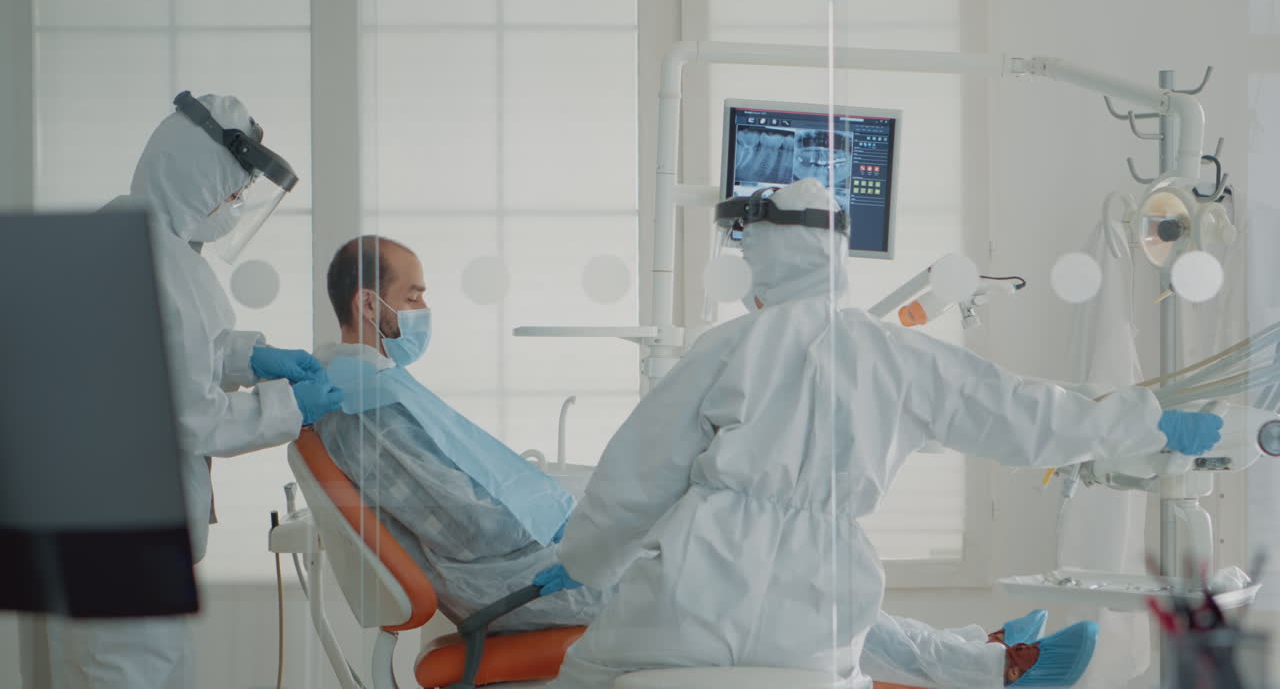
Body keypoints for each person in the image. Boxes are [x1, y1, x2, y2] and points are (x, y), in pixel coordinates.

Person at [538, 178, 1223, 689]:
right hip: (819, 613)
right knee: (855, 654)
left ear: (763, 256)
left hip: (690, 595)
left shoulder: (728, 346)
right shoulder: (897, 354)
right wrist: (1147, 423)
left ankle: (986, 663)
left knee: (586, 674)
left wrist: (585, 558)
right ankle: (985, 665)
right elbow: (1022, 414)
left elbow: (638, 474)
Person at [314, 234, 1069, 688]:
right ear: (371, 306)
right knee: (761, 572)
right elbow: (469, 526)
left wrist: (579, 504)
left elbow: (480, 489)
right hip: (523, 589)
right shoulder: (362, 405)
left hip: (537, 562)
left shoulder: (376, 387)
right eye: (413, 296)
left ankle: (973, 653)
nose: (423, 309)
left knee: (762, 553)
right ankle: (981, 669)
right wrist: (580, 546)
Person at [23, 92, 344, 689]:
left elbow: (174, 354)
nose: (235, 206)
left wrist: (250, 356)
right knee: (128, 675)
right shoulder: (151, 260)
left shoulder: (136, 237)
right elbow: (191, 416)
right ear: (197, 175)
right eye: (234, 191)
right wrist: (291, 406)